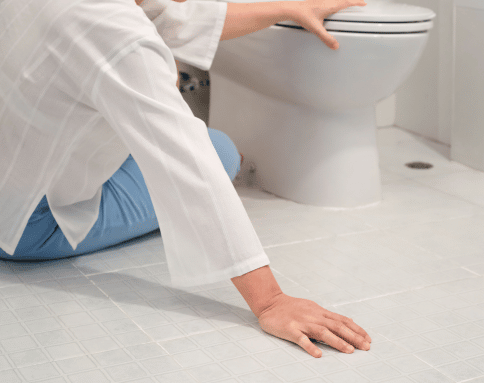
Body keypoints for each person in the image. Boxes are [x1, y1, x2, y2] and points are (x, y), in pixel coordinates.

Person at [0, 0, 371, 358]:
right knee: (219, 152)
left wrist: (286, 8)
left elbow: (176, 17)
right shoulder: (115, 32)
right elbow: (186, 161)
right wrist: (270, 300)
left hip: (16, 169)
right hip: (24, 225)